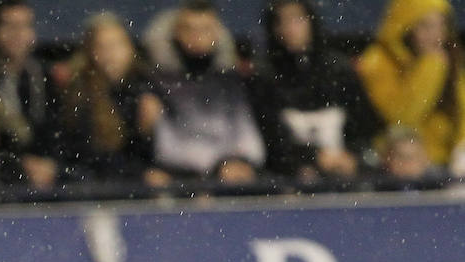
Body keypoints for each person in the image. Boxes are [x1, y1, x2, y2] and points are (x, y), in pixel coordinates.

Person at [249, 0, 380, 183]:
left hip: (348, 172)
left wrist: (352, 156)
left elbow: (364, 126)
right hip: (288, 179)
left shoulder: (339, 70)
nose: (290, 29)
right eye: (281, 22)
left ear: (311, 21)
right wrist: (309, 159)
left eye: (297, 19)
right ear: (273, 28)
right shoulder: (264, 78)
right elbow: (270, 139)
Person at [143, 0, 266, 184]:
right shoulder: (154, 83)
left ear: (217, 32)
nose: (197, 37)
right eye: (190, 29)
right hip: (180, 182)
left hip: (233, 179)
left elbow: (249, 138)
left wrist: (237, 162)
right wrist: (213, 168)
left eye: (205, 29)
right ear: (176, 33)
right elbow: (165, 149)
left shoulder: (235, 81)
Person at [0, 0, 61, 189]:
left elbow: (54, 128)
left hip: (40, 173)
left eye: (24, 26)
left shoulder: (43, 75)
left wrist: (47, 161)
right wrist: (18, 163)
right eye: (9, 26)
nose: (18, 34)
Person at [357, 0, 465, 171]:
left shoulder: (450, 59)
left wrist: (461, 150)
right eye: (425, 26)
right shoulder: (376, 62)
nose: (436, 35)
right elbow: (402, 120)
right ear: (406, 27)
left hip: (446, 166)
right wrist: (431, 67)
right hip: (395, 166)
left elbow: (461, 114)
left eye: (441, 25)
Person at [56, 13, 163, 184]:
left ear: (130, 48)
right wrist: (140, 175)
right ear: (90, 53)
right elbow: (88, 159)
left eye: (116, 45)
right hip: (101, 187)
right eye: (102, 47)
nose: (110, 54)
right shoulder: (80, 95)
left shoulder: (147, 86)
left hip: (140, 183)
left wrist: (149, 131)